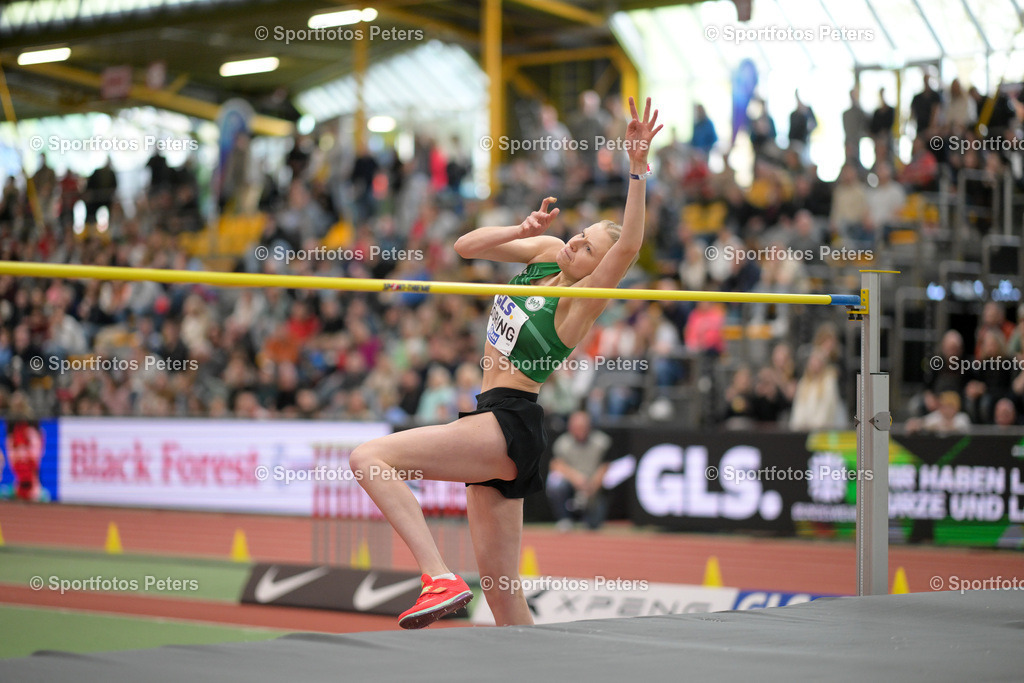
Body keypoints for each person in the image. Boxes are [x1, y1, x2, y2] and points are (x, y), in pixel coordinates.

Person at [350, 96, 662, 629]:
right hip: (494, 420)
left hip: (509, 420)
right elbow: (467, 246)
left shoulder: (578, 304)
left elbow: (629, 245)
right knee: (503, 598)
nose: (578, 242)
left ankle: (437, 577)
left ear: (596, 269)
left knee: (369, 458)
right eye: (581, 234)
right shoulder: (545, 253)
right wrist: (519, 231)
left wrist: (635, 166)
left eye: (588, 248)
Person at [546, 411, 612, 531]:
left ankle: (590, 516)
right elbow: (556, 465)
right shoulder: (562, 443)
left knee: (593, 526)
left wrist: (592, 486)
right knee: (555, 482)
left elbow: (606, 466)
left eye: (583, 427)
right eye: (576, 427)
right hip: (572, 482)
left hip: (594, 486)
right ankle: (564, 519)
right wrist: (576, 478)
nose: (580, 431)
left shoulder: (601, 442)